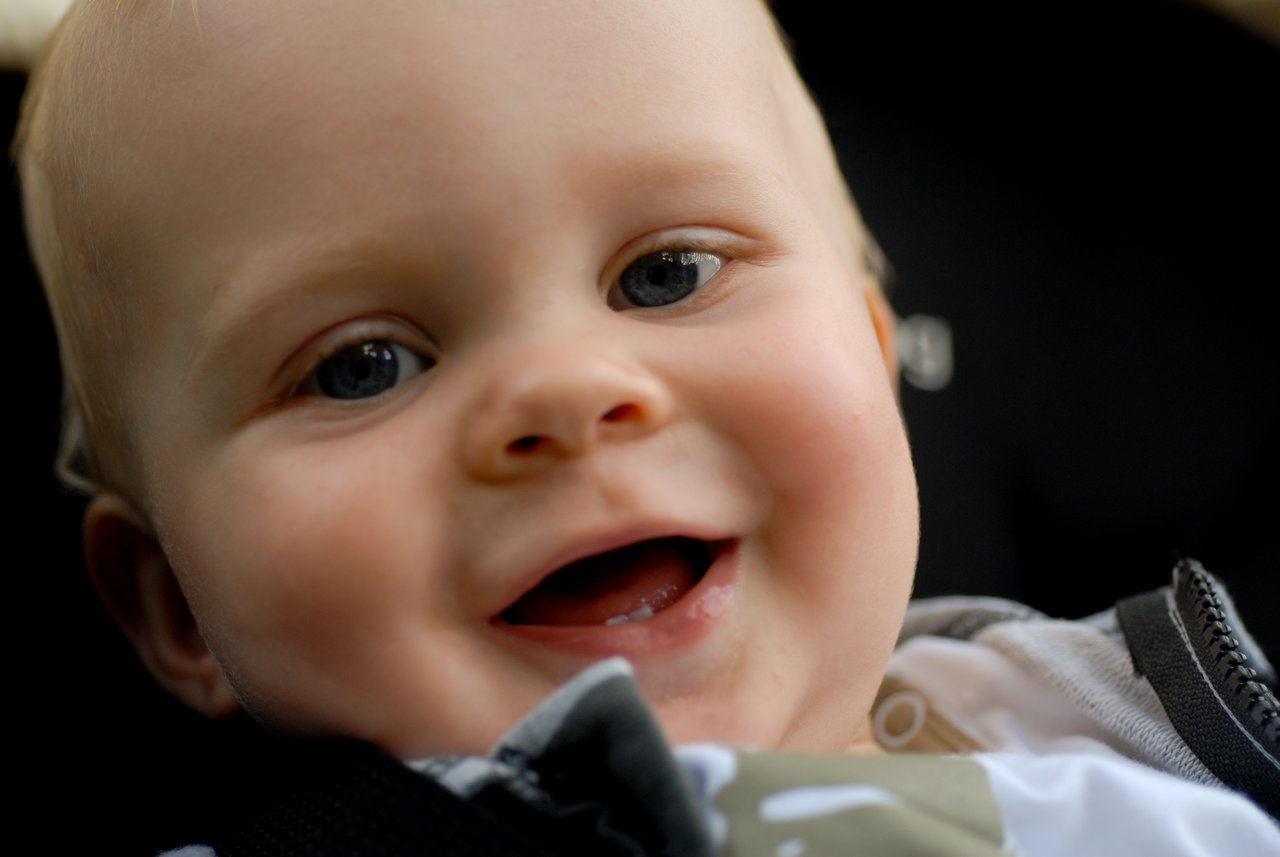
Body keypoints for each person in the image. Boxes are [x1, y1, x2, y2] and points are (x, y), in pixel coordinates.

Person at [12, 0, 1276, 853]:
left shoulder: (1150, 741)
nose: (564, 392)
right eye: (362, 366)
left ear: (873, 359)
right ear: (174, 599)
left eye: (665, 272)